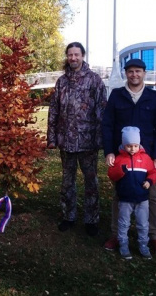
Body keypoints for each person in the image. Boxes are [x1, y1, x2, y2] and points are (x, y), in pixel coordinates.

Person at [102, 58, 156, 253]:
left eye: (138, 71)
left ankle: (155, 235)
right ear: (126, 74)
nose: (134, 75)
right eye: (130, 71)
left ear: (144, 73)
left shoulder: (154, 97)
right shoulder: (117, 95)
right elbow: (107, 125)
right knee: (119, 195)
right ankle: (116, 234)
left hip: (145, 157)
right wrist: (109, 151)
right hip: (122, 156)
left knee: (151, 196)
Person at [47, 42, 107, 236]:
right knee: (67, 182)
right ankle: (68, 216)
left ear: (83, 55)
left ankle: (91, 219)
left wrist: (101, 139)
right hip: (66, 141)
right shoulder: (62, 81)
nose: (73, 58)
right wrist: (52, 137)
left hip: (88, 142)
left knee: (91, 182)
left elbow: (102, 111)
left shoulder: (94, 80)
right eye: (70, 55)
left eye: (76, 54)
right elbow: (54, 110)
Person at [108, 127, 156, 260]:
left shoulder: (145, 158)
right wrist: (120, 171)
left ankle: (143, 245)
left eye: (135, 146)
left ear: (139, 144)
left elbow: (153, 171)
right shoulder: (119, 158)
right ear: (124, 145)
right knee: (123, 223)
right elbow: (111, 174)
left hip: (142, 198)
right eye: (129, 146)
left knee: (143, 223)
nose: (132, 149)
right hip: (125, 198)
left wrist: (149, 181)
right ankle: (123, 245)